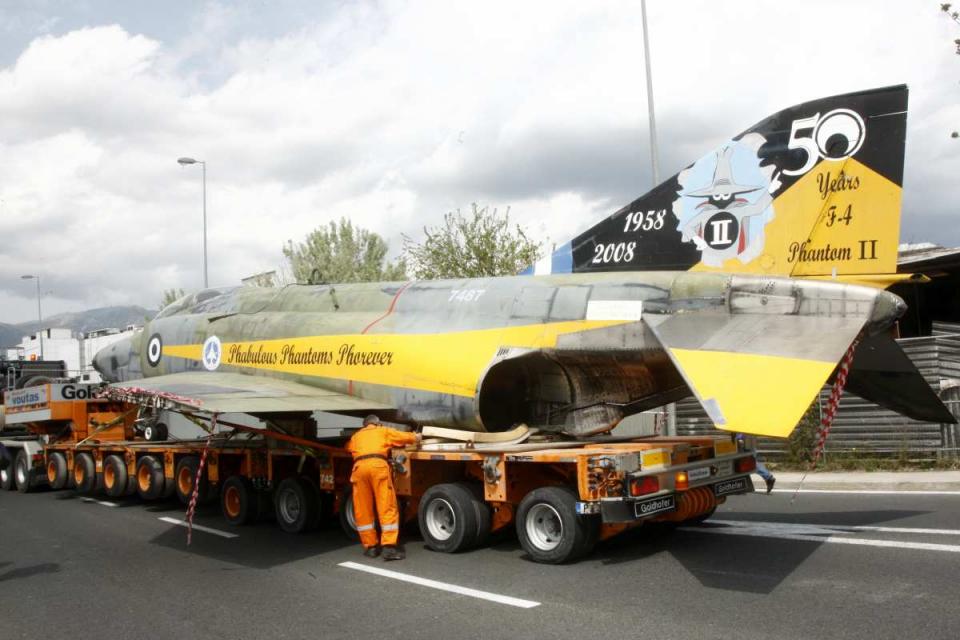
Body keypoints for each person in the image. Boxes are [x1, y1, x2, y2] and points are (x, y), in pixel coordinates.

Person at [346, 415, 420, 560]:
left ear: (364, 425)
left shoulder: (356, 436)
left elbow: (348, 447)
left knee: (363, 508)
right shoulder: (383, 431)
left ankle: (371, 547)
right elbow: (402, 437)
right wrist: (415, 437)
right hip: (378, 467)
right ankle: (388, 548)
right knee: (386, 505)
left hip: (359, 469)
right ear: (377, 423)